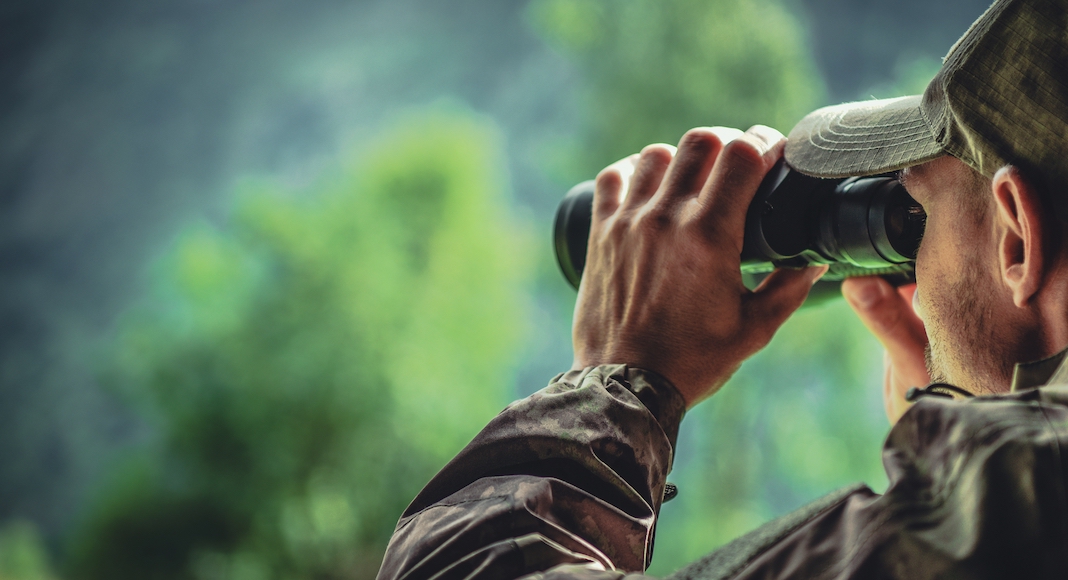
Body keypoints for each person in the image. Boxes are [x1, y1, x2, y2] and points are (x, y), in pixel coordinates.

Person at [376, 0, 1068, 577]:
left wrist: (618, 378)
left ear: (1016, 237)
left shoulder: (1025, 492)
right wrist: (983, 393)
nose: (915, 265)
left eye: (920, 210)